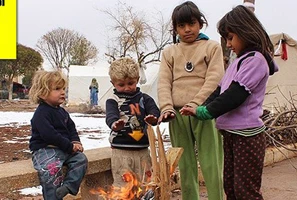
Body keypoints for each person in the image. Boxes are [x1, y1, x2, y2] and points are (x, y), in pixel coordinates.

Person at [180, 5, 279, 200]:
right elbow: (219, 90)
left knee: (246, 191)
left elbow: (235, 95)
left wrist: (206, 112)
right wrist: (196, 106)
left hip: (247, 137)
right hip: (233, 134)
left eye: (231, 37)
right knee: (232, 188)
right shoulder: (238, 62)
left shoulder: (256, 60)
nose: (228, 43)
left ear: (245, 32)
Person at [157, 1, 224, 200]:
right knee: (184, 165)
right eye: (181, 26)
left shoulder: (211, 47)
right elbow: (163, 82)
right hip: (177, 115)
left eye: (191, 24)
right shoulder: (170, 52)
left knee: (211, 163)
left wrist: (195, 104)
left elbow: (214, 79)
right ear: (175, 28)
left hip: (204, 112)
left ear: (200, 24)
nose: (187, 30)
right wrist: (166, 108)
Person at [29, 70, 88, 200]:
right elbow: (49, 135)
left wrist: (75, 142)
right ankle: (53, 197)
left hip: (63, 148)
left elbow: (71, 128)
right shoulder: (41, 113)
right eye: (57, 89)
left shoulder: (62, 112)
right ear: (43, 93)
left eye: (63, 88)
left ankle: (69, 186)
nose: (62, 92)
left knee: (81, 160)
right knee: (51, 171)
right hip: (45, 149)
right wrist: (68, 146)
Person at [105, 57, 160, 187]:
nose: (127, 88)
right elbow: (110, 116)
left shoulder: (144, 99)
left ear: (137, 80)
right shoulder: (113, 100)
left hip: (143, 150)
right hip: (121, 150)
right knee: (123, 186)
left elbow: (155, 111)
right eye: (121, 85)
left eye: (131, 83)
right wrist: (115, 124)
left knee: (146, 185)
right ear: (113, 83)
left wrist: (153, 118)